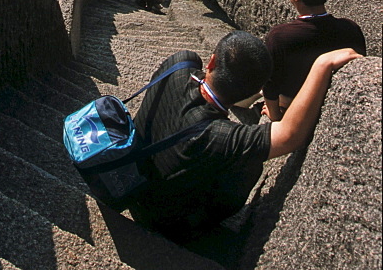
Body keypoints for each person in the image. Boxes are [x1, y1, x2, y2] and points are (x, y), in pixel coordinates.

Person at [128, 31, 362, 241]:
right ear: (252, 93)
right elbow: (291, 136)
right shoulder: (219, 136)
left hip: (128, 177)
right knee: (252, 164)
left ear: (211, 61)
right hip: (160, 221)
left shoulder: (180, 63)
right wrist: (322, 64)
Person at [262, 0, 367, 121]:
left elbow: (270, 85)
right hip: (334, 101)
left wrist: (275, 117)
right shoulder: (350, 29)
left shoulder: (280, 36)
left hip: (293, 103)